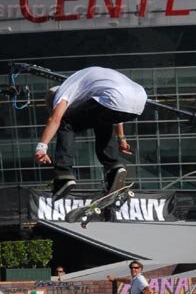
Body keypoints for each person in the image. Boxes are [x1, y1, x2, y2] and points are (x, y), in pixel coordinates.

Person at [34, 67, 147, 202]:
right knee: (101, 118)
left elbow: (55, 119)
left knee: (66, 122)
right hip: (139, 101)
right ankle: (114, 167)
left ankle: (63, 174)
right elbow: (115, 110)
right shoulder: (87, 86)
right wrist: (121, 138)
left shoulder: (63, 90)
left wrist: (42, 147)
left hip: (114, 98)